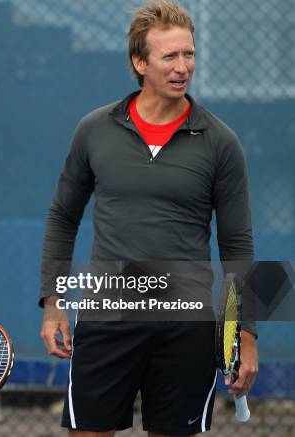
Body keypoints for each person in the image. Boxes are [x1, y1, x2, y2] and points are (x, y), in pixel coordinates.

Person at [39, 1, 258, 436]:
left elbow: (238, 245)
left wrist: (245, 335)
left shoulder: (222, 143)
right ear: (140, 62)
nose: (183, 67)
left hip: (187, 323)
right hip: (107, 316)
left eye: (189, 54)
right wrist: (53, 301)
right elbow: (63, 217)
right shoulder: (94, 129)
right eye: (169, 56)